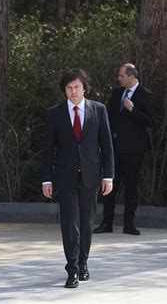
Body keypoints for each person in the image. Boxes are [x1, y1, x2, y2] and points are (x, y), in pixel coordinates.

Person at [42, 69, 114, 288]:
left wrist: (108, 176)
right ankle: (71, 269)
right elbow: (48, 149)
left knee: (86, 223)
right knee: (69, 223)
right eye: (69, 88)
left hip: (91, 176)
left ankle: (83, 263)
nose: (73, 91)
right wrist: (47, 179)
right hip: (65, 177)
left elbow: (107, 146)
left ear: (84, 88)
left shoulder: (98, 110)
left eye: (77, 87)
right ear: (64, 90)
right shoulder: (55, 113)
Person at [94, 63, 153, 236]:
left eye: (122, 75)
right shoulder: (116, 93)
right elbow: (109, 118)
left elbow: (150, 121)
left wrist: (132, 109)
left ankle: (129, 224)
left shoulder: (145, 95)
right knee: (109, 185)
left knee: (131, 186)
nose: (119, 78)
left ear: (132, 76)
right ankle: (107, 223)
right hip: (114, 146)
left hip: (134, 148)